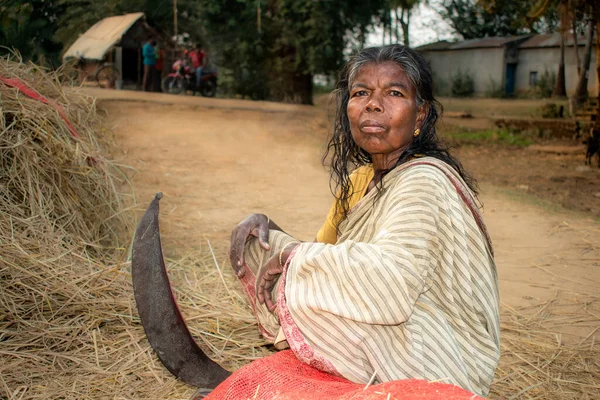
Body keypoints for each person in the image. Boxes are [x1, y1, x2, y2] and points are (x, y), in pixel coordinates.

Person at [228, 44, 500, 397]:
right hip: (385, 322)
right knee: (256, 242)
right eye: (361, 93)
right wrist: (269, 228)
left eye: (394, 92)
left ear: (420, 115)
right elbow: (325, 254)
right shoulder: (360, 181)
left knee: (300, 268)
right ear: (348, 109)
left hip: (437, 355)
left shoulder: (425, 181)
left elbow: (391, 283)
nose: (373, 103)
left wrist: (289, 258)